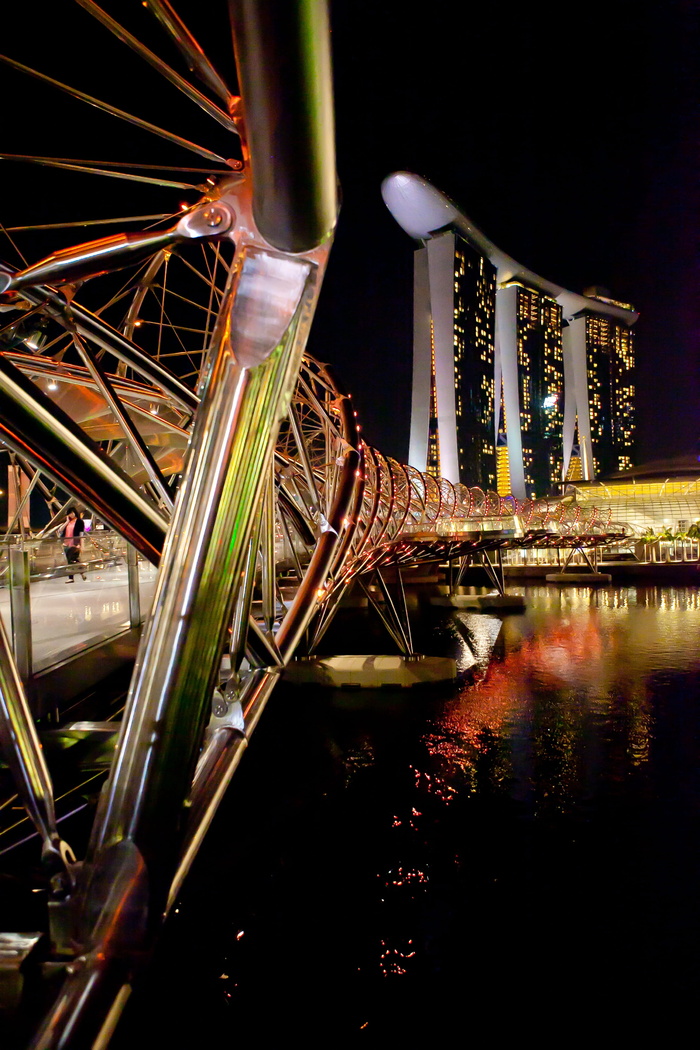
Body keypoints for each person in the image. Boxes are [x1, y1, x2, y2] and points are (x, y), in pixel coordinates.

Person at [60, 509, 86, 582]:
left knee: (70, 560)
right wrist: (67, 522)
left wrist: (81, 545)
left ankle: (71, 578)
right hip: (66, 544)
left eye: (71, 513)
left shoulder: (79, 522)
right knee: (74, 560)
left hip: (74, 544)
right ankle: (82, 572)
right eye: (69, 513)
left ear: (75, 512)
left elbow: (81, 534)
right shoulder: (68, 522)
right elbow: (60, 530)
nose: (71, 515)